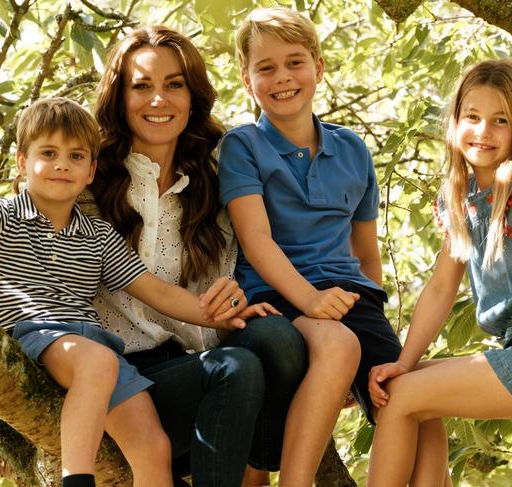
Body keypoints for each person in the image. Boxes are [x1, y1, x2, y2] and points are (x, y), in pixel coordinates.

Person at [0, 98, 270, 487]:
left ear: (91, 171)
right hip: (33, 336)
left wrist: (224, 314)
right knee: (98, 362)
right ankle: (77, 479)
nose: (62, 164)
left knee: (153, 447)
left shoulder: (97, 235)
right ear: (23, 163)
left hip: (94, 350)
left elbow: (157, 292)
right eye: (48, 153)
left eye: (75, 156)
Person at [366, 59, 512, 486]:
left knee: (402, 398)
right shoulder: (461, 198)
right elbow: (441, 288)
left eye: (500, 121)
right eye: (472, 117)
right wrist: (404, 361)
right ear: (455, 121)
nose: (483, 131)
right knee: (413, 384)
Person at [87, 26, 307, 486]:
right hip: (119, 380)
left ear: (193, 96)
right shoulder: (86, 177)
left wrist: (235, 296)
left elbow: (288, 244)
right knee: (235, 367)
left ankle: (255, 467)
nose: (158, 100)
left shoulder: (216, 176)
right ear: (119, 98)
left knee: (278, 339)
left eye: (174, 84)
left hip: (196, 371)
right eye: (141, 86)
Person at [218, 8, 403, 486]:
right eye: (266, 67)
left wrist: (372, 327)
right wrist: (311, 300)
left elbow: (365, 254)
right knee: (338, 345)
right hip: (279, 294)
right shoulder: (243, 146)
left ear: (319, 67)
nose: (282, 77)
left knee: (405, 393)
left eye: (295, 62)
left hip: (348, 296)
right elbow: (256, 240)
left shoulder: (353, 149)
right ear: (246, 79)